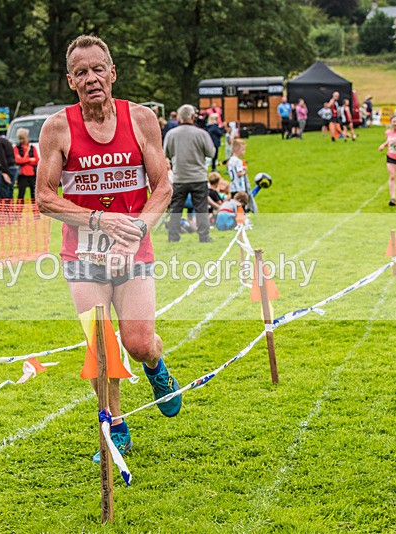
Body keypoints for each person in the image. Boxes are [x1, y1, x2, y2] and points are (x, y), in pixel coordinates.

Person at [35, 34, 177, 462]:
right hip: (83, 255)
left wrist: (135, 229)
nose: (91, 78)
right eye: (81, 72)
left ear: (113, 73)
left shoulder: (142, 119)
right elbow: (45, 197)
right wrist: (100, 220)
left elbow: (163, 187)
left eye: (98, 69)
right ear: (71, 81)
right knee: (101, 345)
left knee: (138, 342)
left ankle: (155, 365)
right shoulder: (57, 128)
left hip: (134, 250)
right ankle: (115, 428)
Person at [164, 104, 215, 243]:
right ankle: (204, 236)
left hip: (179, 177)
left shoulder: (171, 134)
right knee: (201, 208)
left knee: (176, 208)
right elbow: (211, 153)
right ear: (193, 116)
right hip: (198, 177)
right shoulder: (201, 134)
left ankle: (173, 236)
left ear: (179, 117)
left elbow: (166, 153)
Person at [226, 139, 258, 213]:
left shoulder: (230, 160)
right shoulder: (238, 161)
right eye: (243, 149)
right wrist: (244, 170)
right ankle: (242, 218)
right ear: (237, 150)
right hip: (240, 188)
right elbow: (239, 173)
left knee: (234, 205)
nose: (244, 151)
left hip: (233, 187)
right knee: (241, 206)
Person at [13, 127, 40, 207]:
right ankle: (19, 211)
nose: (21, 140)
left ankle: (35, 212)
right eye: (20, 138)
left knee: (34, 195)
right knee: (21, 194)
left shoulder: (32, 148)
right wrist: (29, 159)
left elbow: (36, 161)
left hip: (32, 174)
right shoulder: (16, 148)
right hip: (22, 174)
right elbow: (17, 160)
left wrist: (24, 160)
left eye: (23, 138)